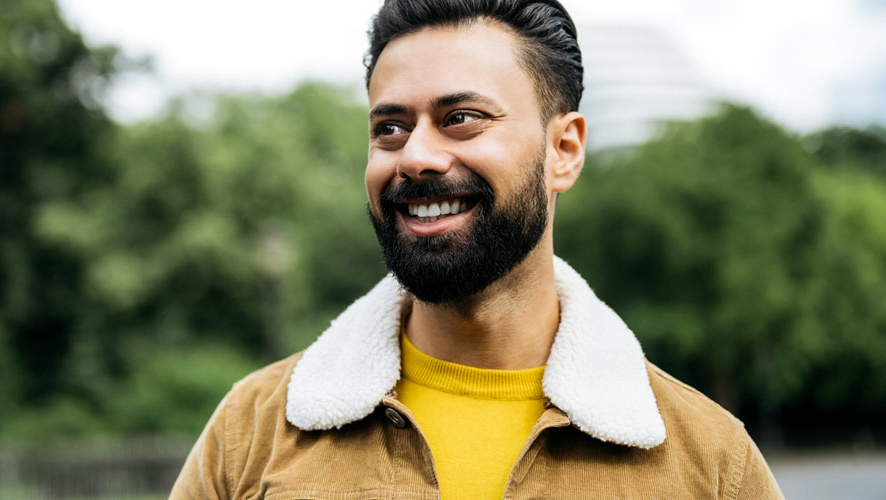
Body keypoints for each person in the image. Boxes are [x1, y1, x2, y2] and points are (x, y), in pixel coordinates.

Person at [171, 0, 784, 498]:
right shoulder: (250, 431)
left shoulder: (711, 465)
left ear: (563, 151)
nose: (415, 155)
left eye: (461, 117)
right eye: (389, 128)